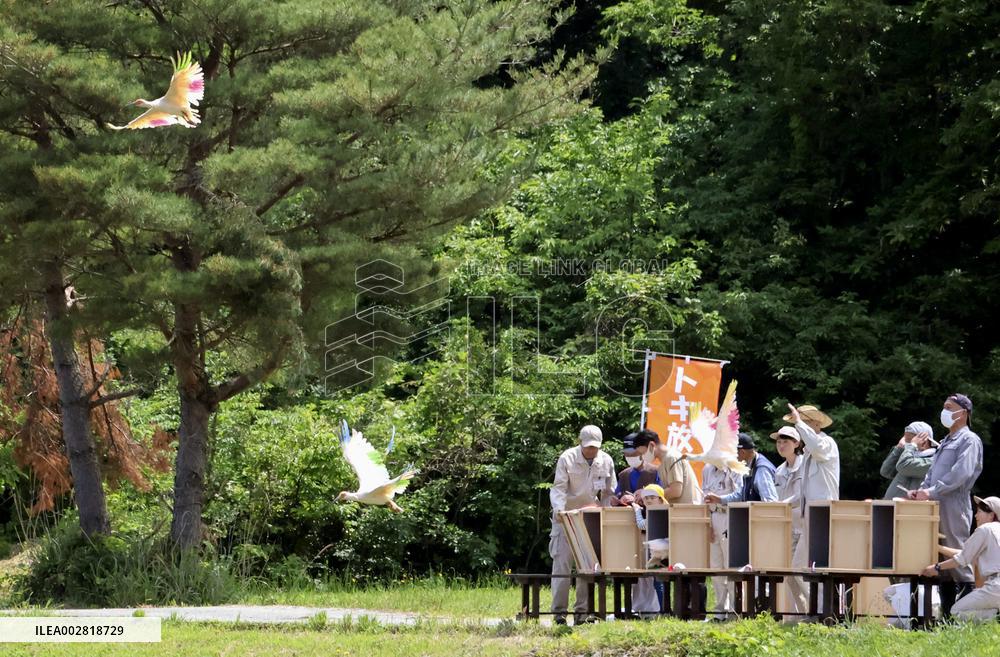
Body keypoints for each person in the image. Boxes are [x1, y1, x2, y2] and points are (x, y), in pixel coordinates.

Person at [909, 394, 983, 616]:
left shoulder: (969, 440)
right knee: (941, 563)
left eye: (949, 408)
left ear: (963, 413)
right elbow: (932, 472)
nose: (945, 412)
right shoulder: (947, 441)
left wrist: (930, 491)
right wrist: (920, 490)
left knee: (958, 559)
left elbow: (961, 474)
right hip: (933, 504)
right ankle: (948, 617)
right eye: (944, 407)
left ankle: (967, 616)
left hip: (953, 504)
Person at [549, 425, 617, 625]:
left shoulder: (606, 461)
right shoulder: (567, 458)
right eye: (588, 447)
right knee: (561, 566)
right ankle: (558, 613)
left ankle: (582, 613)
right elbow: (559, 488)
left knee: (587, 567)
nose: (591, 450)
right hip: (566, 517)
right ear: (580, 442)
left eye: (595, 447)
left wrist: (604, 515)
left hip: (590, 518)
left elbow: (608, 493)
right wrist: (560, 511)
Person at [784, 403, 840, 618]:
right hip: (811, 515)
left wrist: (798, 421)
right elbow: (805, 491)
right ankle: (818, 610)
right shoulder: (808, 453)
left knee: (815, 566)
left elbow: (816, 446)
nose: (800, 428)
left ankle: (824, 612)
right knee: (801, 566)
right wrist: (783, 504)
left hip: (823, 514)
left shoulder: (826, 444)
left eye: (804, 423)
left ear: (816, 423)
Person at [922, 496, 1000, 621]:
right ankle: (994, 619)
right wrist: (938, 547)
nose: (976, 515)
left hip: (995, 586)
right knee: (984, 611)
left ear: (991, 515)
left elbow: (962, 559)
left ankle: (996, 618)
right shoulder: (995, 531)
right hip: (996, 586)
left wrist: (937, 567)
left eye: (979, 511)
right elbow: (965, 554)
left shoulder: (984, 529)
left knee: (956, 611)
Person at [771, 425, 806, 618]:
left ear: (796, 444)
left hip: (804, 527)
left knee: (799, 571)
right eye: (779, 442)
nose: (781, 445)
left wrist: (781, 505)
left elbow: (802, 496)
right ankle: (801, 616)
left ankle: (815, 612)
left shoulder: (806, 466)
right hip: (786, 528)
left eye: (785, 442)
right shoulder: (778, 470)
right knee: (790, 575)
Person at [702, 462, 743, 620]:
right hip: (713, 516)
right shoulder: (707, 469)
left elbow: (740, 493)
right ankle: (720, 610)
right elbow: (704, 497)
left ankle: (735, 609)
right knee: (716, 566)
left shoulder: (735, 468)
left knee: (731, 565)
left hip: (730, 515)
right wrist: (708, 523)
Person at [704, 433, 778, 505]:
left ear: (742, 452)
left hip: (762, 516)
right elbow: (741, 494)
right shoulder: (748, 466)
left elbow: (770, 502)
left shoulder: (761, 469)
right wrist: (719, 499)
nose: (731, 456)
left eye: (733, 452)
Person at [631, 484, 666, 618]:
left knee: (659, 583)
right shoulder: (661, 511)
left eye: (652, 497)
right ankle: (663, 610)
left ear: (661, 499)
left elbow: (641, 524)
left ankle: (663, 611)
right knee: (660, 582)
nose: (649, 500)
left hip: (661, 554)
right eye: (646, 498)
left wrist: (637, 510)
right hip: (661, 552)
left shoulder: (658, 513)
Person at [879, 421, 937, 500]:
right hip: (892, 508)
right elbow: (886, 471)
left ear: (924, 441)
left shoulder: (934, 460)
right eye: (906, 439)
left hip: (911, 509)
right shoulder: (907, 455)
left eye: (910, 440)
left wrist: (912, 445)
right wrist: (899, 448)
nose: (907, 444)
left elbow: (904, 466)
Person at [652, 429, 705, 504]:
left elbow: (675, 491)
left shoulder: (672, 457)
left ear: (651, 445)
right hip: (678, 511)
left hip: (687, 511)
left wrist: (650, 496)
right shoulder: (663, 462)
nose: (642, 456)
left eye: (641, 452)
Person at [615, 431, 662, 503]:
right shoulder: (623, 475)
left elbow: (662, 493)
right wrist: (617, 500)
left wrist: (645, 493)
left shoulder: (655, 472)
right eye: (626, 454)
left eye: (633, 453)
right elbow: (618, 494)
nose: (630, 456)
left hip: (650, 512)